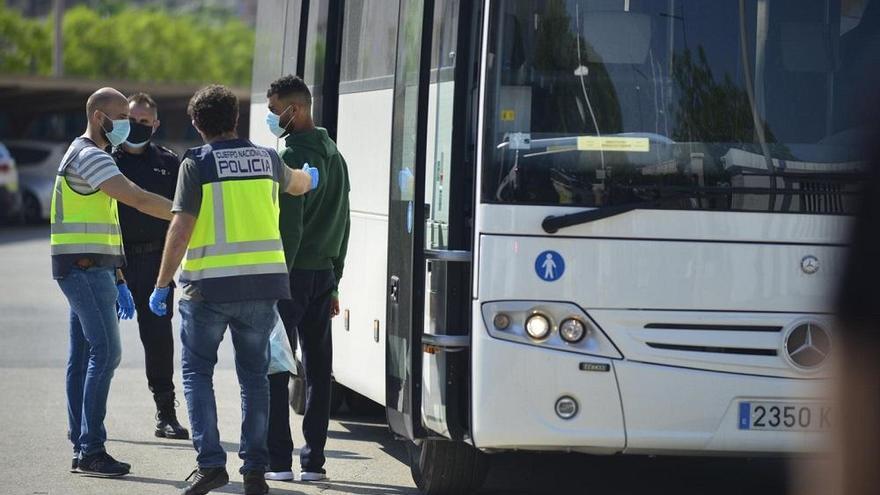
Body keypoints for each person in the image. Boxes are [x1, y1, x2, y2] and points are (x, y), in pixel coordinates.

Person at [148, 84, 318, 495]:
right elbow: (298, 185)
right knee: (255, 380)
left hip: (207, 290)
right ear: (236, 119)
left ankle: (210, 465)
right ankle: (255, 470)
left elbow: (181, 226)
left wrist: (161, 283)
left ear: (196, 123)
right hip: (262, 288)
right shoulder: (267, 158)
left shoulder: (197, 164)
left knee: (196, 374)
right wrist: (310, 178)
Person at [52, 87, 173, 477]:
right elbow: (136, 198)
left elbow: (108, 220)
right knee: (106, 354)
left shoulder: (85, 152)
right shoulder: (90, 156)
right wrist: (188, 214)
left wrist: (118, 273)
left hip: (89, 268)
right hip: (85, 269)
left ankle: (81, 442)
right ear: (100, 118)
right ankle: (91, 449)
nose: (125, 124)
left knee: (83, 357)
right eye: (121, 116)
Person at [263, 75, 351, 483]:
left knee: (278, 368)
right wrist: (334, 281)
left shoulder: (292, 155)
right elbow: (344, 224)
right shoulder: (335, 155)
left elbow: (292, 228)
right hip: (322, 277)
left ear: (292, 111)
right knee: (319, 372)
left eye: (273, 109)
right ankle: (314, 462)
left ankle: (278, 461)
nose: (270, 116)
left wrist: (278, 278)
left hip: (292, 274)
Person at [112, 92, 189, 440]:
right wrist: (115, 269)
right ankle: (87, 420)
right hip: (113, 261)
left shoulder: (169, 163)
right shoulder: (106, 159)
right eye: (131, 120)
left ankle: (166, 413)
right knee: (95, 342)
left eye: (144, 122)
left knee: (158, 340)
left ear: (155, 124)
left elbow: (183, 215)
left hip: (155, 263)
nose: (137, 127)